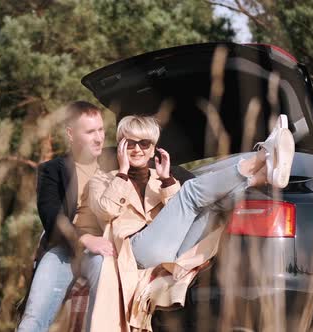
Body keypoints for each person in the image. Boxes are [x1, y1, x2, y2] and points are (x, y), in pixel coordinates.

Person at [82, 114, 294, 330]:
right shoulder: (102, 179)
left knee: (212, 207)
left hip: (172, 255)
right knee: (190, 192)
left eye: (144, 143)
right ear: (120, 146)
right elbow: (105, 211)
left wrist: (166, 181)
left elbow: (181, 214)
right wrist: (123, 173)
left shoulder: (160, 177)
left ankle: (262, 177)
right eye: (130, 143)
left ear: (153, 147)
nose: (137, 149)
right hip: (135, 254)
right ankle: (260, 157)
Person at [18, 101, 114, 332]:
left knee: (102, 270)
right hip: (63, 251)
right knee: (33, 317)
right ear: (71, 134)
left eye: (101, 129)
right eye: (90, 132)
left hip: (102, 251)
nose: (99, 138)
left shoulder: (115, 159)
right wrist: (85, 239)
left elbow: (153, 162)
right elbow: (51, 217)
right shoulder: (52, 170)